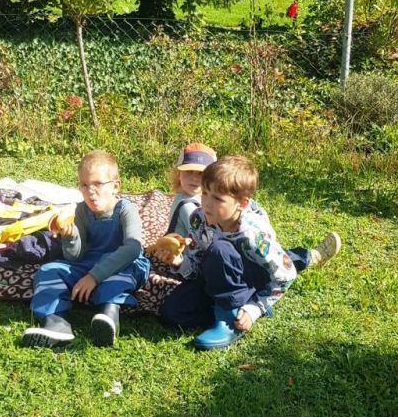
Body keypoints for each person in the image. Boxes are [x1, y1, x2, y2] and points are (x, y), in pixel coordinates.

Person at [157, 155, 341, 350]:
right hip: (219, 278)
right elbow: (197, 267)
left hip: (251, 277)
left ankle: (230, 315)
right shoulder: (199, 219)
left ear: (242, 204)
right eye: (205, 193)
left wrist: (254, 309)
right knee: (172, 313)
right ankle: (226, 304)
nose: (207, 203)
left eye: (218, 198)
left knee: (220, 250)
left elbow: (286, 275)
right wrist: (180, 262)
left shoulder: (253, 234)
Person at [21, 150, 150, 348]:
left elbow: (133, 248)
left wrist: (94, 277)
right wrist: (70, 236)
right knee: (48, 271)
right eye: (84, 185)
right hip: (90, 263)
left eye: (98, 184)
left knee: (121, 276)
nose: (90, 191)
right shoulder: (81, 210)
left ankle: (108, 316)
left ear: (115, 186)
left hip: (122, 264)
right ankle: (57, 323)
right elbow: (74, 257)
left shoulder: (125, 209)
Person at [165, 143, 217, 278]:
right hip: (188, 262)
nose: (194, 178)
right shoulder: (189, 208)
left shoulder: (185, 195)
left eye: (201, 173)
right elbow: (206, 240)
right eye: (188, 171)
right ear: (179, 174)